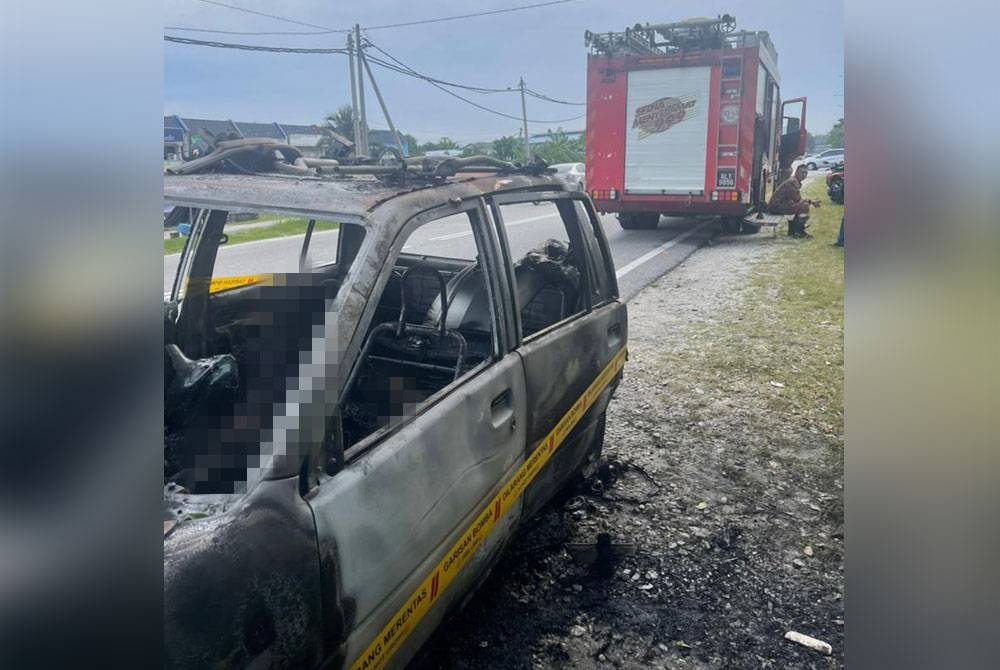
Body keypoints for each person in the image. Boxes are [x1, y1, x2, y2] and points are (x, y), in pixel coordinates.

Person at [768, 164, 821, 237]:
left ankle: (794, 230)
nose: (804, 175)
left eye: (806, 173)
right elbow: (798, 199)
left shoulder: (794, 181)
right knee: (804, 206)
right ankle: (799, 232)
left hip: (779, 205)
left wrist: (810, 201)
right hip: (776, 207)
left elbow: (797, 199)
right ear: (797, 172)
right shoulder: (793, 182)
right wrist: (811, 202)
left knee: (802, 204)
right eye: (802, 172)